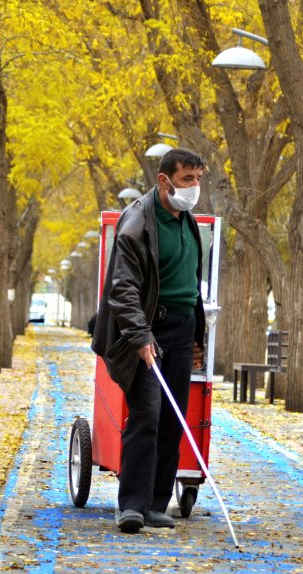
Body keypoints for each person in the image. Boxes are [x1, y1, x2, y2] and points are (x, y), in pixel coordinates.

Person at [91, 148, 207, 534]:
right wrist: (141, 337)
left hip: (181, 328)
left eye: (198, 179)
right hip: (146, 329)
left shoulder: (187, 222)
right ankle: (132, 506)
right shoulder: (137, 222)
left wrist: (196, 335)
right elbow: (123, 288)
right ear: (164, 180)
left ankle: (158, 503)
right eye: (187, 179)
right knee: (149, 412)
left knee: (174, 417)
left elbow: (192, 285)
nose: (194, 187)